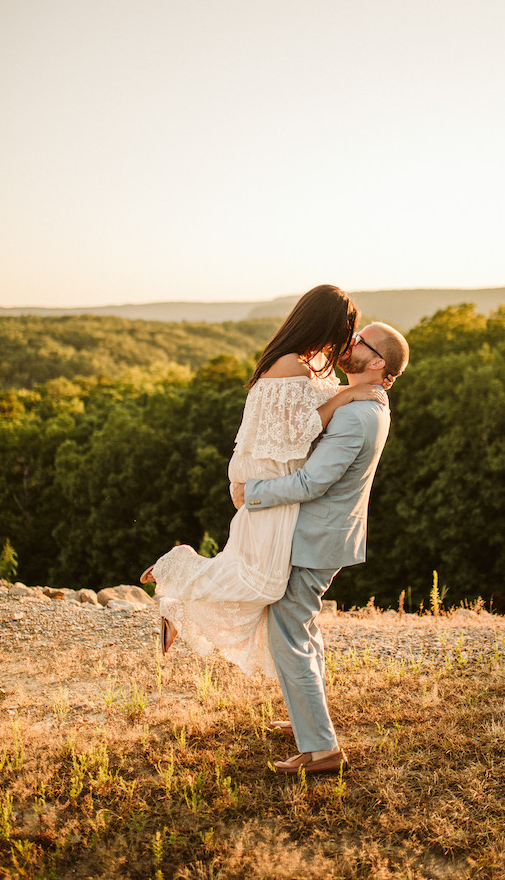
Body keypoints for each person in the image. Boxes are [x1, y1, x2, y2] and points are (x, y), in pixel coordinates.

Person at [145, 285, 386, 676]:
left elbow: (308, 406)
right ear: (326, 323)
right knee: (265, 582)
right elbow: (302, 429)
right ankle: (176, 570)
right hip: (269, 475)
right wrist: (348, 396)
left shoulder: (309, 359)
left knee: (259, 577)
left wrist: (352, 390)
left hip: (276, 473)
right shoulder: (291, 362)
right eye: (347, 329)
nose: (347, 340)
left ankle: (177, 605)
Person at [231, 320, 409, 775]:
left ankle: (322, 750)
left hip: (317, 537)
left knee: (288, 631)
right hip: (328, 535)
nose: (348, 344)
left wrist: (251, 492)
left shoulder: (357, 415)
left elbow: (313, 482)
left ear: (378, 362)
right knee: (302, 627)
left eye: (358, 341)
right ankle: (306, 720)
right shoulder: (369, 403)